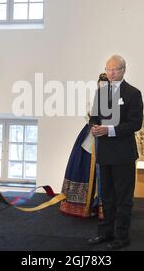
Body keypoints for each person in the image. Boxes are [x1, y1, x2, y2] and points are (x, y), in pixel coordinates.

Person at [87, 55, 143, 250]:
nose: (111, 72)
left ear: (123, 70)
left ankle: (122, 237)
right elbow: (93, 118)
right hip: (104, 152)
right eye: (108, 69)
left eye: (115, 69)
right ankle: (105, 233)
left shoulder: (133, 93)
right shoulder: (100, 93)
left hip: (123, 154)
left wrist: (109, 130)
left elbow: (136, 123)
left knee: (123, 199)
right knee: (107, 197)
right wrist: (94, 127)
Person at [60, 73, 108, 219]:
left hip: (108, 138)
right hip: (91, 138)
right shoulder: (92, 102)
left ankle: (103, 206)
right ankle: (84, 205)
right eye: (101, 86)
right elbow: (90, 117)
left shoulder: (115, 103)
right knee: (85, 168)